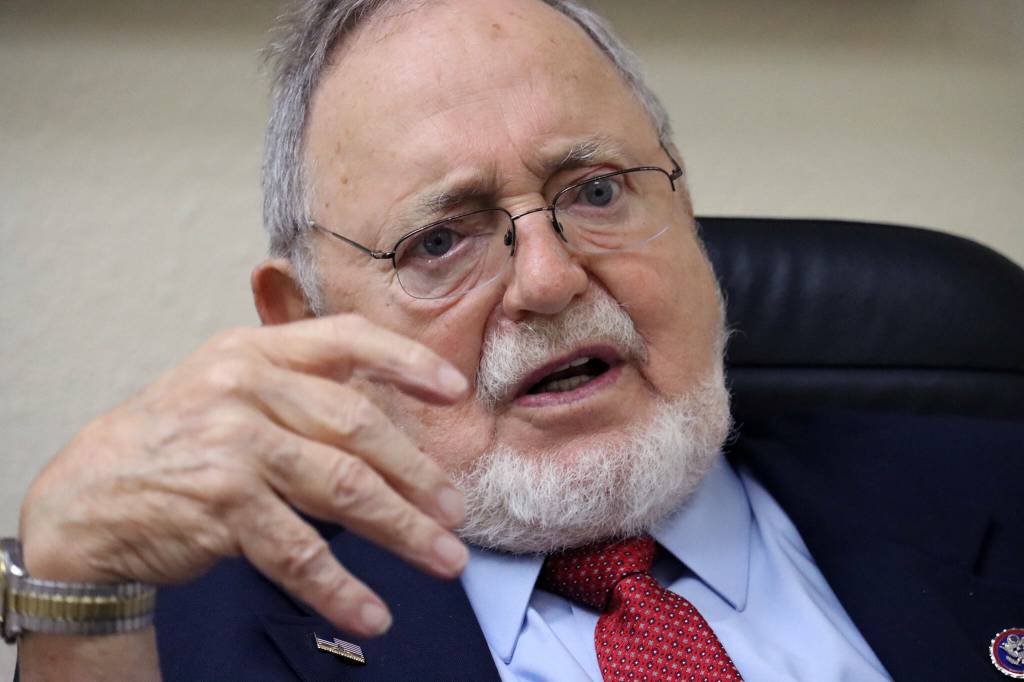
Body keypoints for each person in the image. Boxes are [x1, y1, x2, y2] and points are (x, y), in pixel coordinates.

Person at [7, 1, 1020, 680]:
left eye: (597, 190)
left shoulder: (999, 487)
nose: (548, 279)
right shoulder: (175, 640)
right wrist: (73, 606)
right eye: (439, 240)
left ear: (683, 205)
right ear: (309, 328)